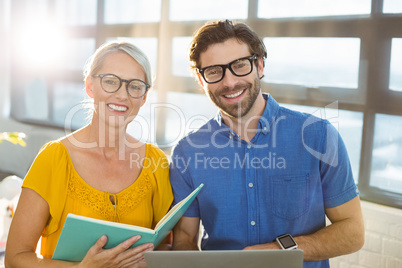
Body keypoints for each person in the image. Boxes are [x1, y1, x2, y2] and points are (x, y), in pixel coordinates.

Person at [169, 20, 365, 267]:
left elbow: (352, 232)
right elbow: (185, 237)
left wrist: (280, 250)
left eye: (239, 66)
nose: (229, 82)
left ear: (259, 65)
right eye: (214, 71)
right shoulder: (187, 153)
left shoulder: (319, 137)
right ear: (201, 80)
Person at [5, 41, 173, 267]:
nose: (122, 95)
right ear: (90, 86)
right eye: (111, 81)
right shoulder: (54, 158)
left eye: (134, 86)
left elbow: (167, 247)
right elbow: (15, 258)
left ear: (143, 97)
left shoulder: (156, 162)